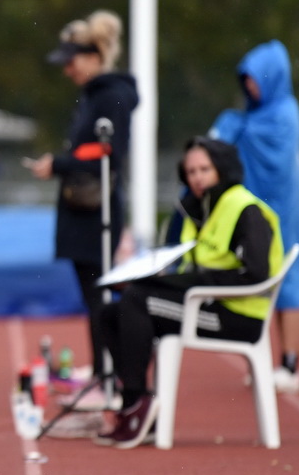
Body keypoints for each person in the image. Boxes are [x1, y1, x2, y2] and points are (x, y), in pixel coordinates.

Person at [97, 137, 283, 449]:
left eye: (204, 169)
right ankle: (137, 404)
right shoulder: (197, 209)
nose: (197, 177)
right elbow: (184, 265)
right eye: (191, 171)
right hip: (203, 306)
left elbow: (256, 274)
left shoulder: (245, 210)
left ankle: (136, 406)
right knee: (110, 312)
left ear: (222, 170)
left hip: (237, 316)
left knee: (136, 300)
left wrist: (188, 283)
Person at [27, 9, 139, 410]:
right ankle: (101, 374)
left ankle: (109, 380)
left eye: (72, 61)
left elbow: (108, 155)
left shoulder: (111, 95)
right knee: (94, 297)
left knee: (101, 298)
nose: (67, 70)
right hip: (84, 210)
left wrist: (59, 163)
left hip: (98, 213)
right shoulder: (97, 95)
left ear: (94, 57)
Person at [210, 40, 299, 394]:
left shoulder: (285, 113)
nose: (250, 86)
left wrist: (235, 130)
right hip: (263, 212)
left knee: (291, 281)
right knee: (264, 281)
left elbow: (274, 161)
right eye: (246, 79)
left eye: (254, 78)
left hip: (286, 212)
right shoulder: (255, 115)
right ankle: (266, 358)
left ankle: (290, 363)